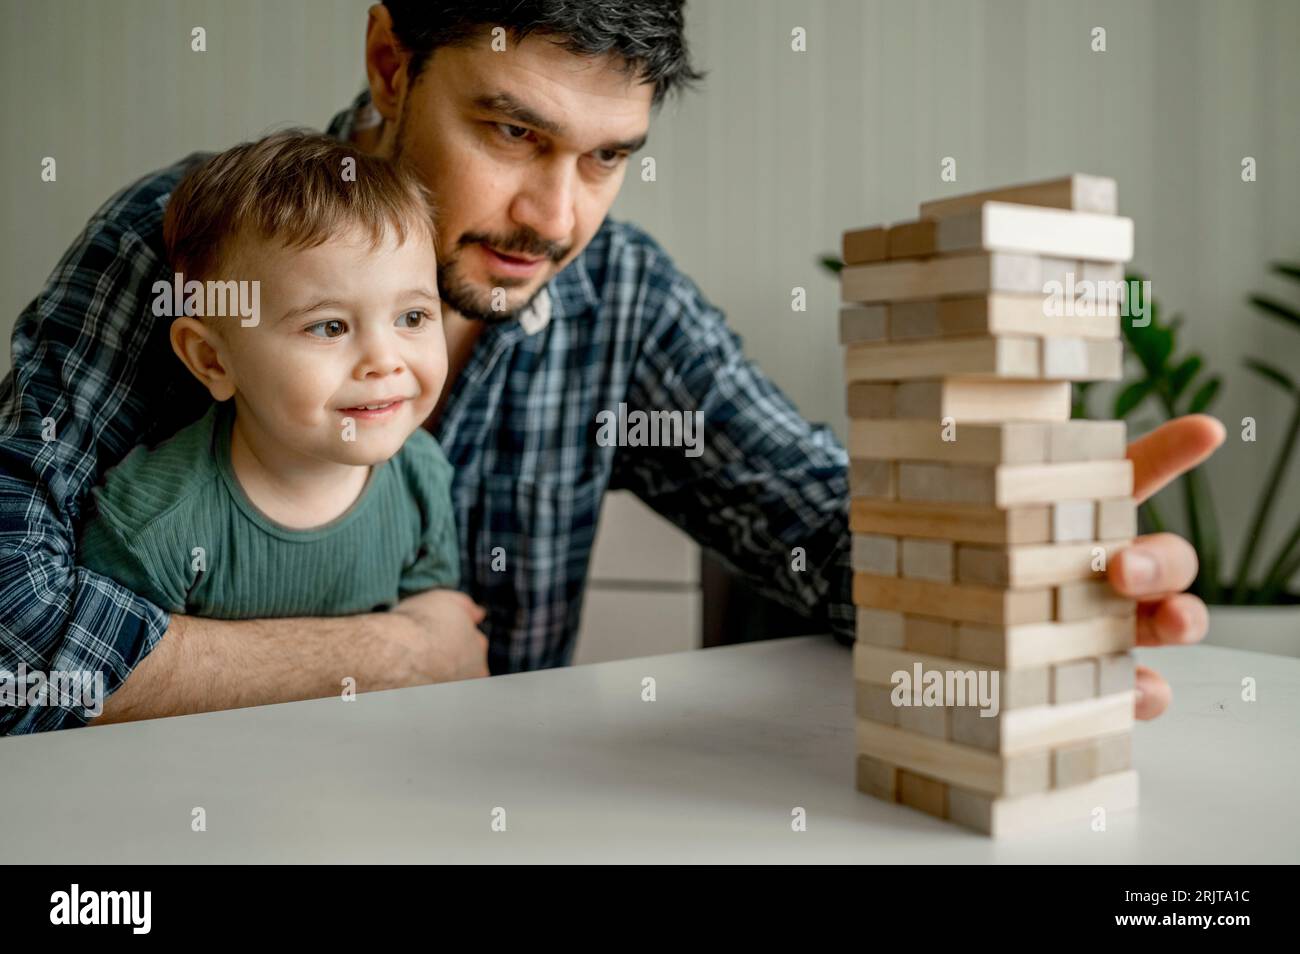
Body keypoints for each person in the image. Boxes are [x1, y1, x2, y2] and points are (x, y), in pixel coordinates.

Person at [0, 1, 1221, 733]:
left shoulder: (616, 294)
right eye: (511, 131)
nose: (552, 216)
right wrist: (388, 658)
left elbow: (820, 522)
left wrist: (1024, 573)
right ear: (389, 63)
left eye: (606, 157)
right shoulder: (182, 246)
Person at [77, 131, 461, 619]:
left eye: (412, 318)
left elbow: (431, 635)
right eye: (329, 326)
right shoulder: (152, 528)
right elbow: (120, 684)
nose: (385, 361)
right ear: (213, 360)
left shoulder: (422, 477)